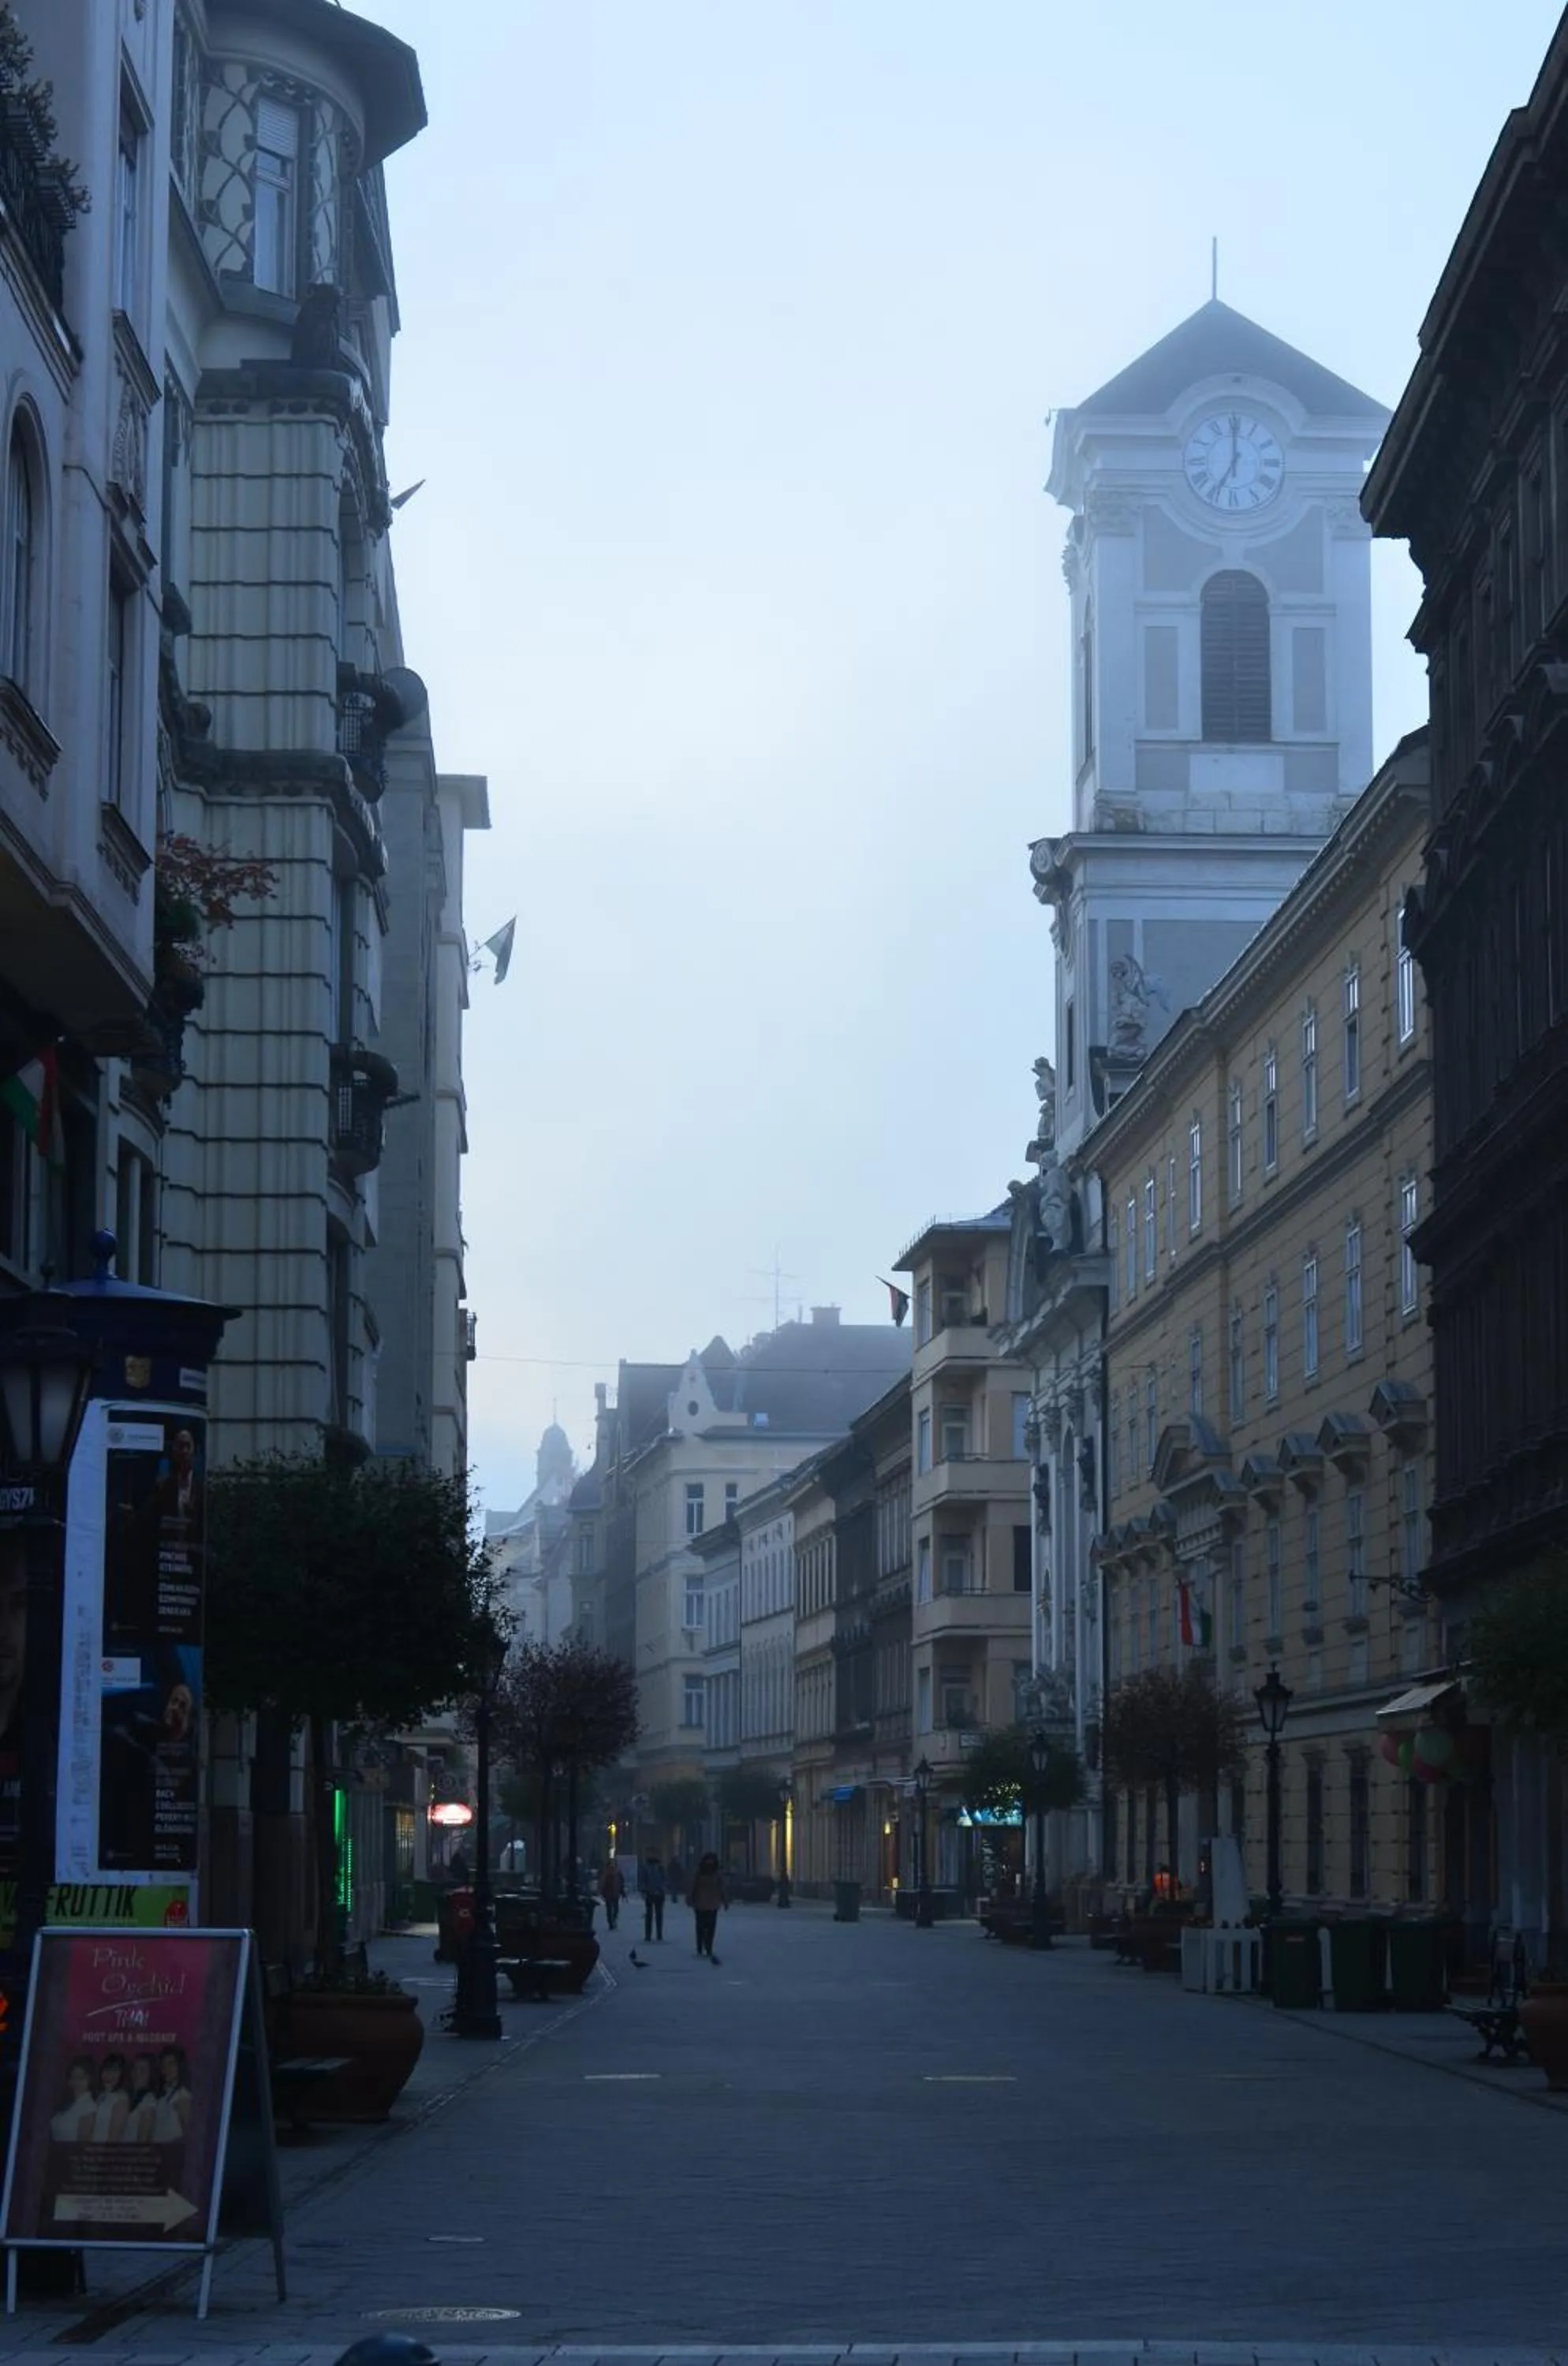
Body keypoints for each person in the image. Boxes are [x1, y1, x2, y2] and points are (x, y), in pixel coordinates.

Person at [688, 1852, 727, 1963]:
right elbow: (693, 1886)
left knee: (710, 1927)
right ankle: (701, 1946)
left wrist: (725, 1900)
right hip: (701, 1903)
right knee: (701, 1926)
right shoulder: (699, 1873)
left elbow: (722, 1888)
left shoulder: (716, 1874)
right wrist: (690, 1898)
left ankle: (708, 1946)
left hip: (712, 1903)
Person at [50, 2059, 96, 2144]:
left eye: (81, 2078)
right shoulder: (67, 2103)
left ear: (89, 2080)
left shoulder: (88, 2107)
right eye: (73, 2077)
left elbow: (82, 2146)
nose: (76, 2082)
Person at [88, 2054, 130, 2142]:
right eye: (106, 2070)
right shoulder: (102, 2095)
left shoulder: (121, 2098)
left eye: (115, 2071)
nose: (109, 2075)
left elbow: (113, 2139)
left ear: (122, 2075)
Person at [122, 2054, 159, 2142]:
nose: (137, 2074)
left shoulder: (149, 2100)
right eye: (135, 2069)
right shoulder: (126, 2096)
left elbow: (143, 2139)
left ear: (150, 2075)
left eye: (143, 2071)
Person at [638, 1851, 666, 1942]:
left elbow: (665, 1879)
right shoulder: (657, 1867)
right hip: (654, 1893)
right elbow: (665, 1880)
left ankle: (652, 1935)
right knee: (655, 1915)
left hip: (654, 1893)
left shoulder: (658, 1868)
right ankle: (654, 1935)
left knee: (653, 1915)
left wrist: (645, 1889)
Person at [597, 1859, 625, 1930]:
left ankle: (612, 1921)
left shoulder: (613, 1873)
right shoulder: (607, 1874)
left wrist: (621, 1890)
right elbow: (602, 1883)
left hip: (613, 1893)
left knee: (613, 1909)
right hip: (610, 1893)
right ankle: (612, 1921)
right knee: (611, 1909)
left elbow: (621, 1882)